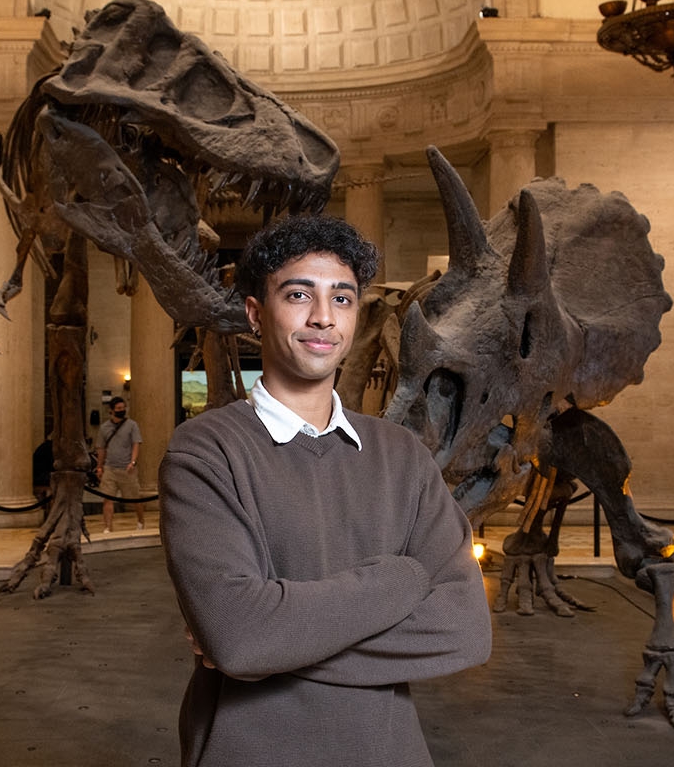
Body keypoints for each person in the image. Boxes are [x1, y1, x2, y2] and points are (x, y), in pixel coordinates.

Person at [158, 215, 492, 767]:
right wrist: (402, 579)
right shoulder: (205, 452)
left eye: (342, 298)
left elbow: (464, 629)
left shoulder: (402, 455)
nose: (323, 318)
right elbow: (241, 637)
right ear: (254, 314)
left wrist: (268, 641)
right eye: (298, 294)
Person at [95, 396, 144, 533]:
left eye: (123, 408)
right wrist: (99, 466)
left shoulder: (132, 425)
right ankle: (108, 526)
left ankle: (140, 521)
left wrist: (132, 462)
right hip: (110, 468)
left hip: (127, 468)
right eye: (118, 409)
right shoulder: (104, 428)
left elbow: (136, 444)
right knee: (108, 498)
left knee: (135, 498)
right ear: (111, 410)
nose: (121, 411)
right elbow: (101, 448)